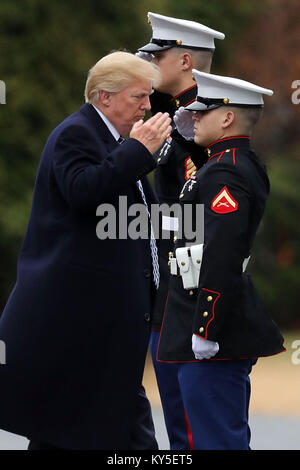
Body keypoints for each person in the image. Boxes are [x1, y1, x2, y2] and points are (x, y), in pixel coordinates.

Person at [0, 51, 172, 450]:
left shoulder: (115, 141)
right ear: (104, 97)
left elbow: (134, 219)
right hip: (78, 324)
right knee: (74, 432)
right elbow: (83, 192)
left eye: (148, 97)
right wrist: (138, 152)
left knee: (73, 432)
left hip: (102, 332)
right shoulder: (77, 133)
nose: (147, 106)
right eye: (138, 98)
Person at [157, 69, 286, 450]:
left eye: (203, 111)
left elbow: (222, 252)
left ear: (227, 117)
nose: (193, 116)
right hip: (198, 318)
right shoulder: (221, 164)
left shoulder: (226, 170)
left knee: (214, 442)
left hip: (213, 327)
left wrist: (206, 327)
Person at [137, 12, 225, 449]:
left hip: (189, 281)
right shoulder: (162, 110)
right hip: (166, 278)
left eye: (159, 54)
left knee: (192, 423)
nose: (149, 62)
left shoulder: (207, 117)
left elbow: (206, 213)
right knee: (175, 413)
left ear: (187, 60)